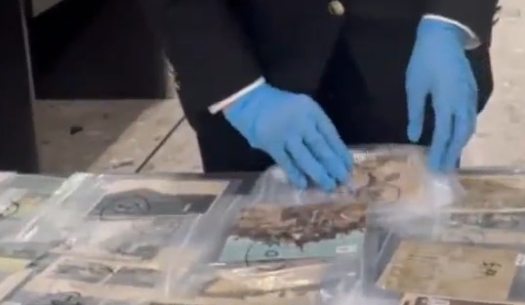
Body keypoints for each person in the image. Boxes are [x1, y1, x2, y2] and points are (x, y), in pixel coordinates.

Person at [141, 0, 498, 191]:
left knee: (416, 264)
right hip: (251, 70)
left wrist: (453, 19)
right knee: (260, 275)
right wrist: (237, 90)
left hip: (414, 62)